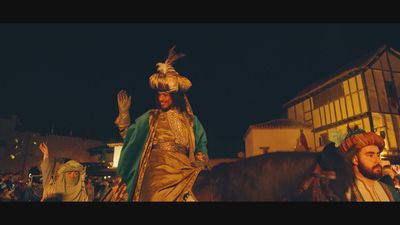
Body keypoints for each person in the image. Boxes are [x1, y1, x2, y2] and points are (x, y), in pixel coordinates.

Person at [115, 46, 209, 202]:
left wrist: (200, 156)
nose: (161, 99)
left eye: (165, 95)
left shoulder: (192, 121)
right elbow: (129, 136)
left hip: (185, 172)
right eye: (159, 95)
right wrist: (124, 115)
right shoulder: (152, 117)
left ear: (176, 96)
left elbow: (201, 143)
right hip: (156, 175)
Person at [338, 126, 400, 201]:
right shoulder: (341, 195)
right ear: (355, 159)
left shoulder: (390, 191)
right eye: (370, 155)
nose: (378, 160)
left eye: (378, 155)